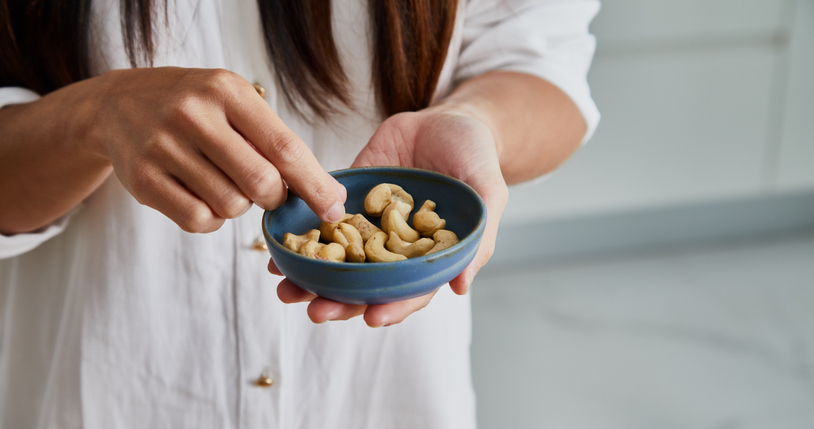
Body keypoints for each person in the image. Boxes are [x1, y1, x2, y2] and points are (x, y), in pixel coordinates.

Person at [0, 0, 600, 427]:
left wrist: (478, 123)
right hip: (102, 394)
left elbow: (546, 69)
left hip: (381, 396)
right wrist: (91, 115)